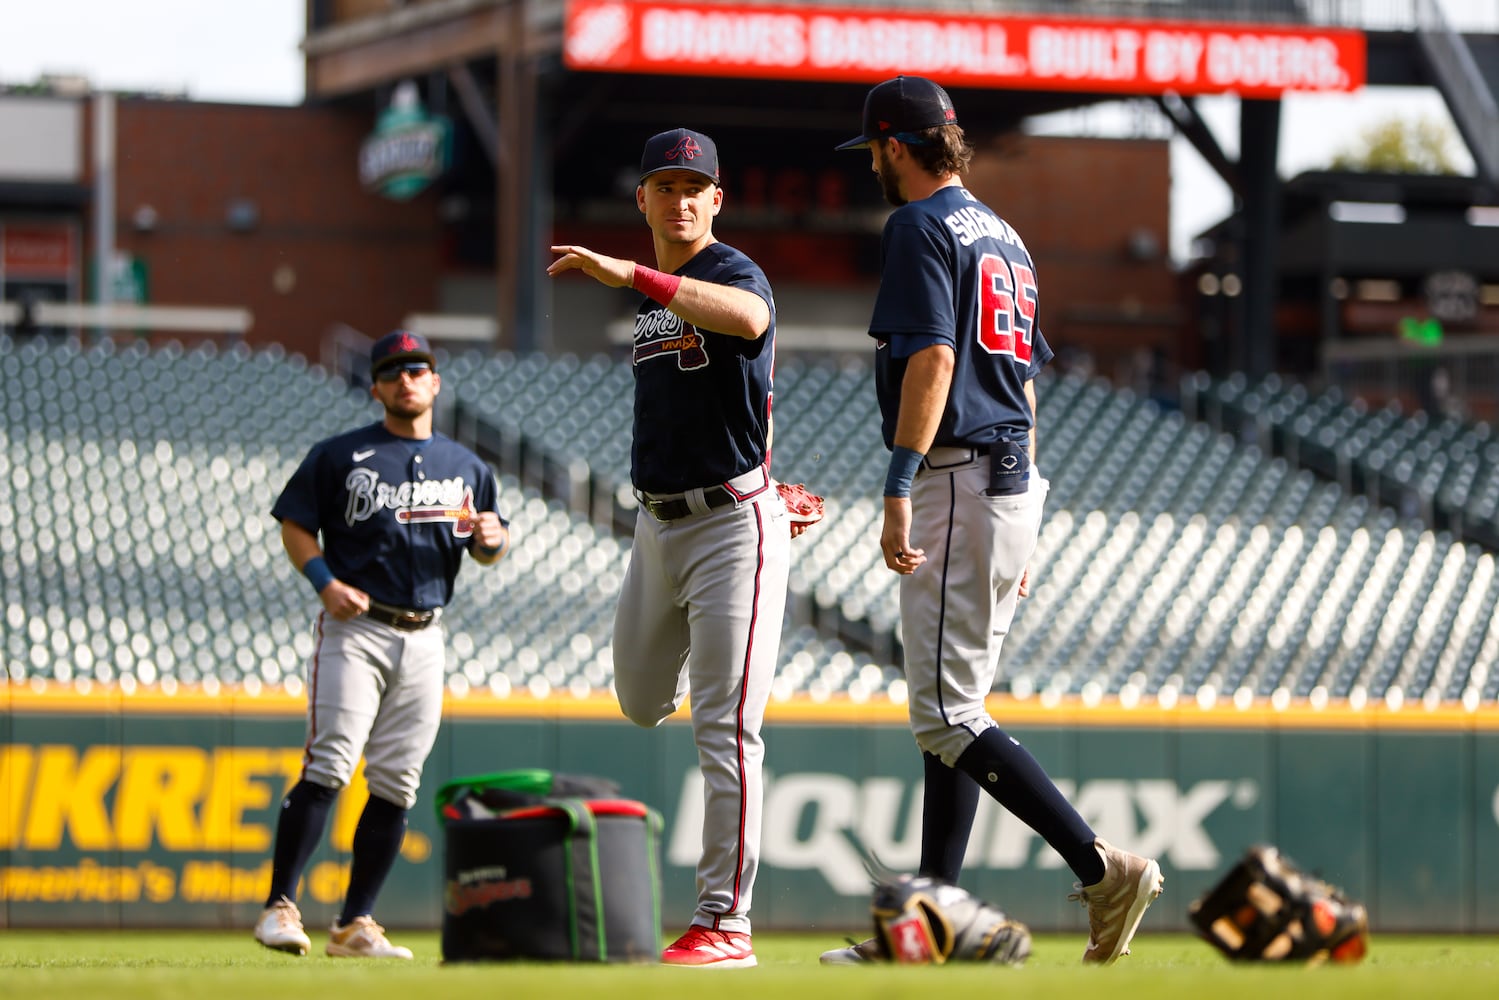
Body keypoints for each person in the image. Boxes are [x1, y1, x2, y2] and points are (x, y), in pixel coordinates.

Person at [823, 76, 1163, 965]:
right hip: (1008, 477)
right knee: (953, 716)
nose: (875, 168)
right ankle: (935, 924)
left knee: (943, 715)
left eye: (874, 153)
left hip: (955, 476)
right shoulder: (1002, 233)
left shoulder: (918, 225)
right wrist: (1025, 500)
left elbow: (933, 356)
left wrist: (897, 484)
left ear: (895, 146)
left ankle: (1100, 867)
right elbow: (1025, 380)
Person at [547, 127, 792, 969]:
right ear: (641, 199)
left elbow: (753, 320)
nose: (681, 199)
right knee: (640, 701)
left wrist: (636, 274)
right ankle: (716, 645)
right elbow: (736, 396)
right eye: (665, 184)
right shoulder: (662, 298)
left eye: (697, 186)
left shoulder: (724, 272)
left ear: (716, 200)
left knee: (725, 729)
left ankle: (726, 923)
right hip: (658, 525)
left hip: (729, 527)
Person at [253, 330, 511, 959]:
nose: (405, 379)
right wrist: (323, 583)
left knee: (397, 782)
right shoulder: (341, 454)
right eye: (392, 371)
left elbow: (489, 545)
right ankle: (279, 907)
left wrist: (492, 536)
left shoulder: (466, 466)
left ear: (435, 382)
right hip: (357, 628)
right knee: (332, 762)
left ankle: (353, 924)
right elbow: (295, 524)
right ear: (375, 387)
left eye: (416, 368)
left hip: (426, 635)